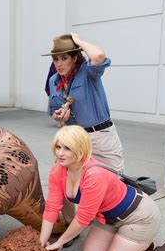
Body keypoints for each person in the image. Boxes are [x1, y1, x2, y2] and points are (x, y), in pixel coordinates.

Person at [39, 125, 165, 251]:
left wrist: (60, 242)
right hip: (107, 218)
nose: (60, 153)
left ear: (81, 149)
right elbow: (52, 208)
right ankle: (132, 248)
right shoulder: (58, 171)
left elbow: (83, 219)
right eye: (58, 147)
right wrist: (42, 242)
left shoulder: (94, 175)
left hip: (138, 217)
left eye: (67, 148)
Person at [43, 33, 124, 172]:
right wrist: (58, 116)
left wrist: (79, 42)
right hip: (73, 139)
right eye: (55, 59)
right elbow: (55, 110)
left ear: (74, 58)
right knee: (73, 182)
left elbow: (98, 55)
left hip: (100, 137)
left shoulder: (87, 72)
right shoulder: (53, 80)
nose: (59, 64)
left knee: (115, 179)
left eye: (64, 58)